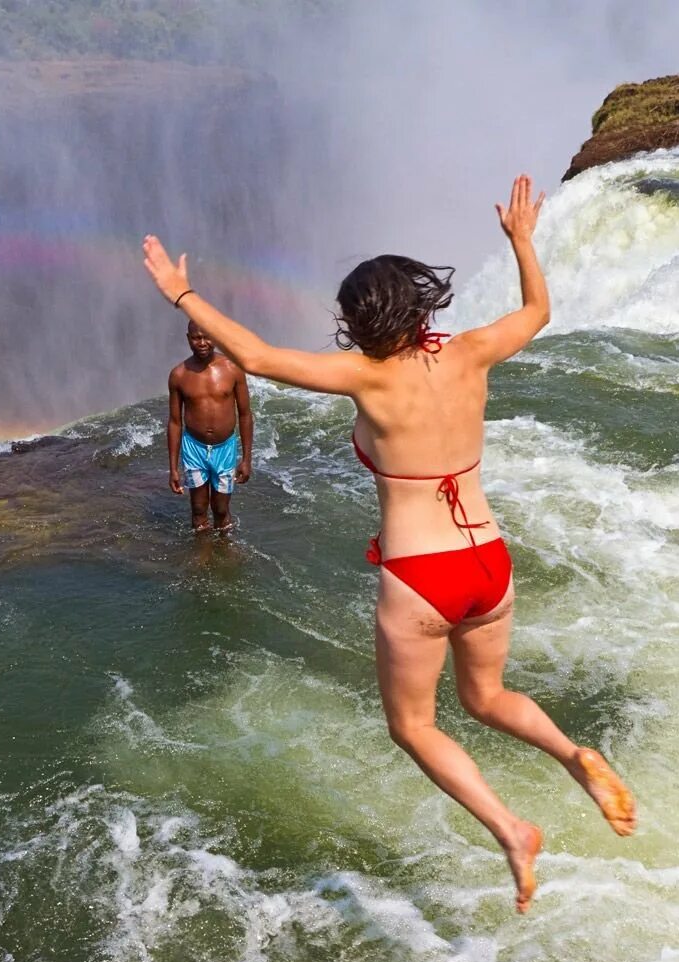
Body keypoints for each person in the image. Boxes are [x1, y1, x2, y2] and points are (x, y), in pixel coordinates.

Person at [140, 174, 635, 914]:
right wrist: (524, 242)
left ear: (360, 323)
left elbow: (259, 355)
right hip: (489, 561)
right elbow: (539, 309)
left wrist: (182, 293)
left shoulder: (365, 377)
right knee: (487, 696)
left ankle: (510, 829)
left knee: (413, 724)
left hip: (421, 573)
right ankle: (574, 754)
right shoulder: (470, 352)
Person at [168, 319, 253, 532]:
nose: (203, 342)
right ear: (188, 339)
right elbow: (175, 422)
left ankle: (224, 550)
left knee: (221, 509)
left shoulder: (233, 368)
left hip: (224, 448)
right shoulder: (179, 375)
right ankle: (203, 554)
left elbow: (245, 415)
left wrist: (246, 459)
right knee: (198, 509)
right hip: (193, 448)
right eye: (197, 338)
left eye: (207, 337)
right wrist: (173, 468)